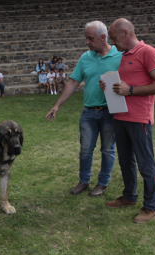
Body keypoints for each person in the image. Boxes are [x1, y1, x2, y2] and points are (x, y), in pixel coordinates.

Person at [100, 18, 155, 223]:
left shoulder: (147, 52)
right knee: (125, 161)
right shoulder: (123, 56)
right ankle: (129, 197)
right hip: (120, 116)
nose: (112, 43)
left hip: (140, 119)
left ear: (125, 33)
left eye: (113, 38)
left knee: (146, 164)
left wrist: (130, 90)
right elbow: (126, 83)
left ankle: (151, 207)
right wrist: (110, 86)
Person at [46, 20, 122, 198]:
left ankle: (103, 183)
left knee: (108, 150)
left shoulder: (120, 56)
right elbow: (73, 82)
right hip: (88, 112)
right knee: (86, 149)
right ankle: (84, 181)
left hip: (111, 112)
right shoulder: (85, 57)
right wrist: (57, 105)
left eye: (90, 38)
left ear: (103, 37)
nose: (87, 42)